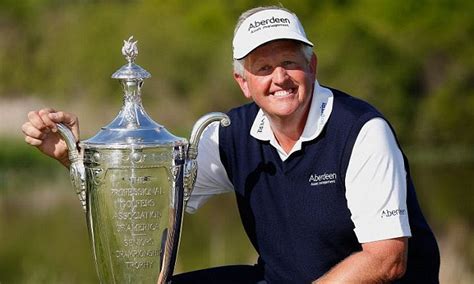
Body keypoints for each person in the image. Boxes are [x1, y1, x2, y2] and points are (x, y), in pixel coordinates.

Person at [22, 5, 440, 283]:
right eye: (263, 67)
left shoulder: (363, 131)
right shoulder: (229, 133)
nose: (279, 77)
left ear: (312, 66)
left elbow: (387, 260)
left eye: (290, 62)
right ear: (243, 82)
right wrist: (71, 156)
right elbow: (148, 194)